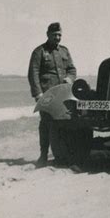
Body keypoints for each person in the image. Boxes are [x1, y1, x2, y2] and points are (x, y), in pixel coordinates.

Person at [28, 22, 77, 167]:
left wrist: (69, 78)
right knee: (46, 124)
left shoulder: (64, 51)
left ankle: (62, 156)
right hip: (47, 96)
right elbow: (33, 73)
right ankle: (43, 155)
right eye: (55, 35)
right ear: (48, 34)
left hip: (63, 95)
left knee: (64, 123)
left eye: (59, 35)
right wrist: (38, 94)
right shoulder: (39, 51)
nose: (57, 38)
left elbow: (72, 69)